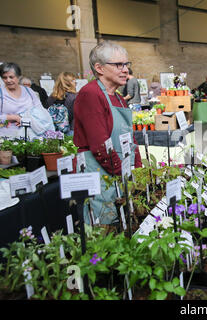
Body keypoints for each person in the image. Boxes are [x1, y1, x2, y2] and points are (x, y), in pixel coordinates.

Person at [73, 41, 142, 225]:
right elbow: (99, 146)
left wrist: (138, 170)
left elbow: (130, 138)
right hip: (99, 170)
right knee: (104, 226)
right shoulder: (91, 94)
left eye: (127, 64)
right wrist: (124, 175)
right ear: (99, 68)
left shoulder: (119, 97)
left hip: (118, 169)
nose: (125, 69)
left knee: (122, 223)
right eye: (119, 65)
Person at [0, 62, 55, 139]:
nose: (8, 80)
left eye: (11, 77)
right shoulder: (1, 93)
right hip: (7, 139)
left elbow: (41, 111)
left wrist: (23, 119)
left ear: (19, 77)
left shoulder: (29, 91)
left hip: (31, 137)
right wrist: (14, 117)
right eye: (5, 78)